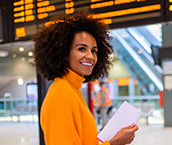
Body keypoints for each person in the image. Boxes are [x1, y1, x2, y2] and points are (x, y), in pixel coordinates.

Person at [32, 9, 138, 145]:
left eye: (94, 51)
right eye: (82, 48)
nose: (90, 56)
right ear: (63, 52)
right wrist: (114, 143)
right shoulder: (61, 93)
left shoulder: (73, 89)